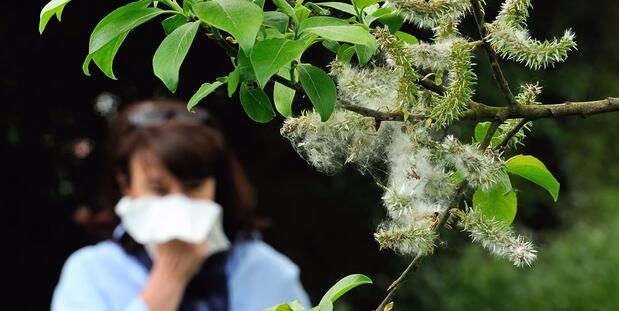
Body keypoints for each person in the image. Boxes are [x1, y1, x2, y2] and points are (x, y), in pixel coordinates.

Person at [51, 100, 311, 311]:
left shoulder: (268, 272)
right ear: (125, 184)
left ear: (215, 185)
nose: (177, 203)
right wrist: (167, 283)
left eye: (193, 186)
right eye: (158, 189)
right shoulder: (91, 274)